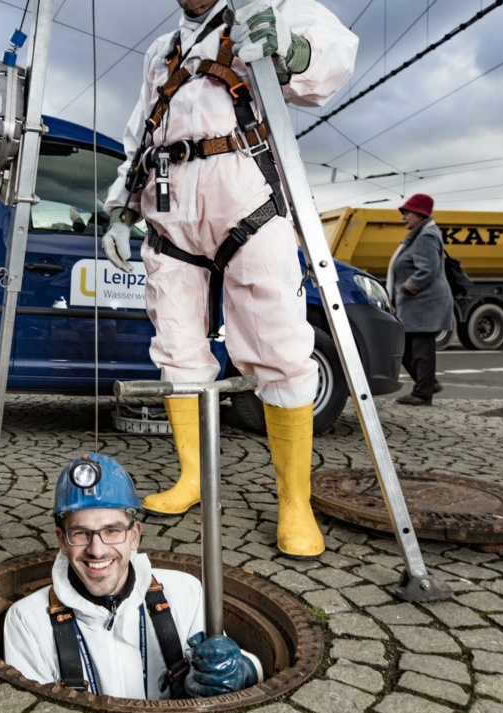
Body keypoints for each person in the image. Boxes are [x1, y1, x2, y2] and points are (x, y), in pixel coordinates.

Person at [99, 0, 358, 558]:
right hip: (170, 212)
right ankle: (192, 477)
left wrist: (293, 51)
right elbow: (140, 132)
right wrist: (122, 207)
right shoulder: (161, 52)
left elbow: (336, 55)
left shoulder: (269, 9)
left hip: (248, 202)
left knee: (278, 346)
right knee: (176, 348)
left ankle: (294, 502)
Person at [3, 453, 262, 699]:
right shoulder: (27, 621)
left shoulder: (185, 593)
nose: (97, 550)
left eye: (112, 530)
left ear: (135, 535)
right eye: (80, 533)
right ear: (62, 540)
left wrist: (243, 670)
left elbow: (234, 666)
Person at [387, 194, 451, 406]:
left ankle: (423, 393)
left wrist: (407, 288)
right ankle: (428, 384)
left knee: (421, 349)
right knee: (404, 348)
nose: (403, 217)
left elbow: (428, 269)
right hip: (416, 303)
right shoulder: (419, 235)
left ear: (420, 214)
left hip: (424, 302)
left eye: (407, 213)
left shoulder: (426, 236)